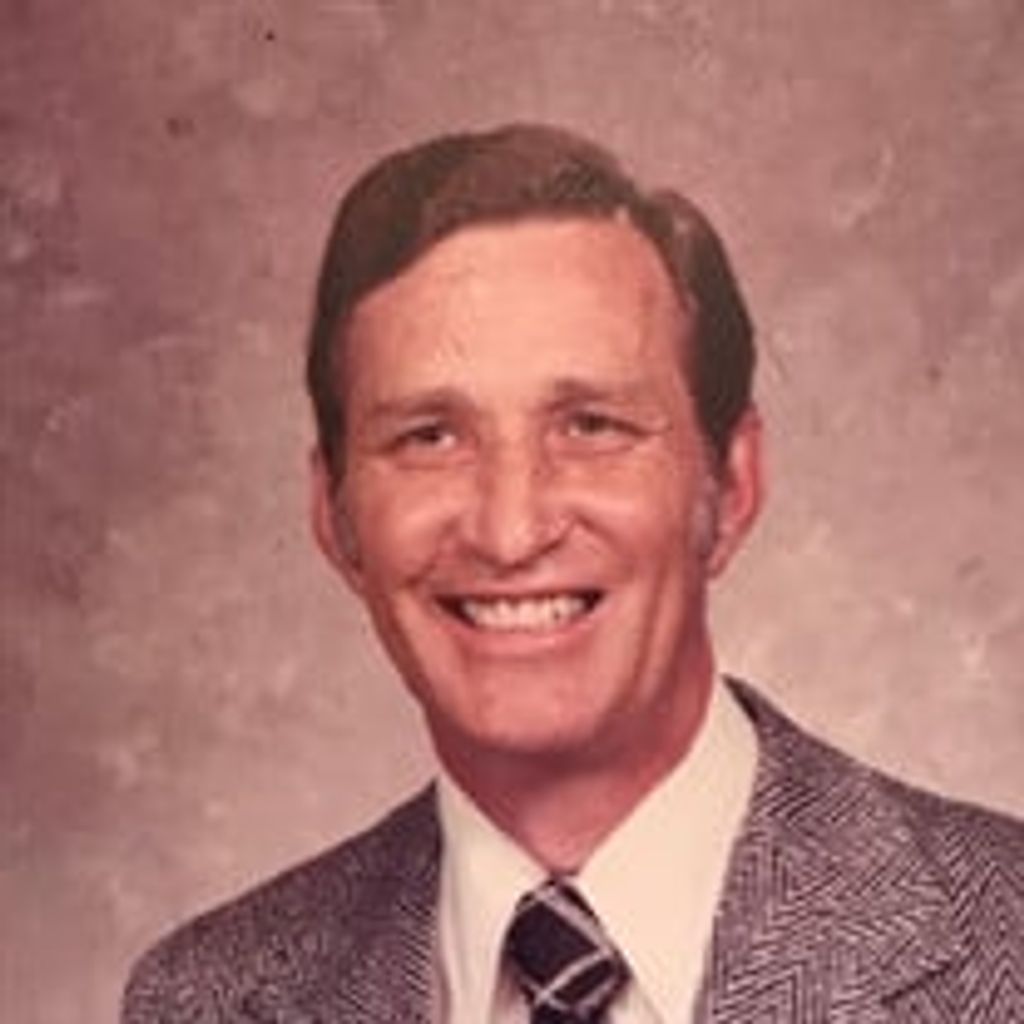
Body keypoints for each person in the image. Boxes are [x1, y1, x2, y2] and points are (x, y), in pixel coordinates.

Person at [123, 124, 1024, 1023]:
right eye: (429, 437)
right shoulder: (202, 1001)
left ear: (731, 487)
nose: (511, 531)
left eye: (591, 426)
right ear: (335, 515)